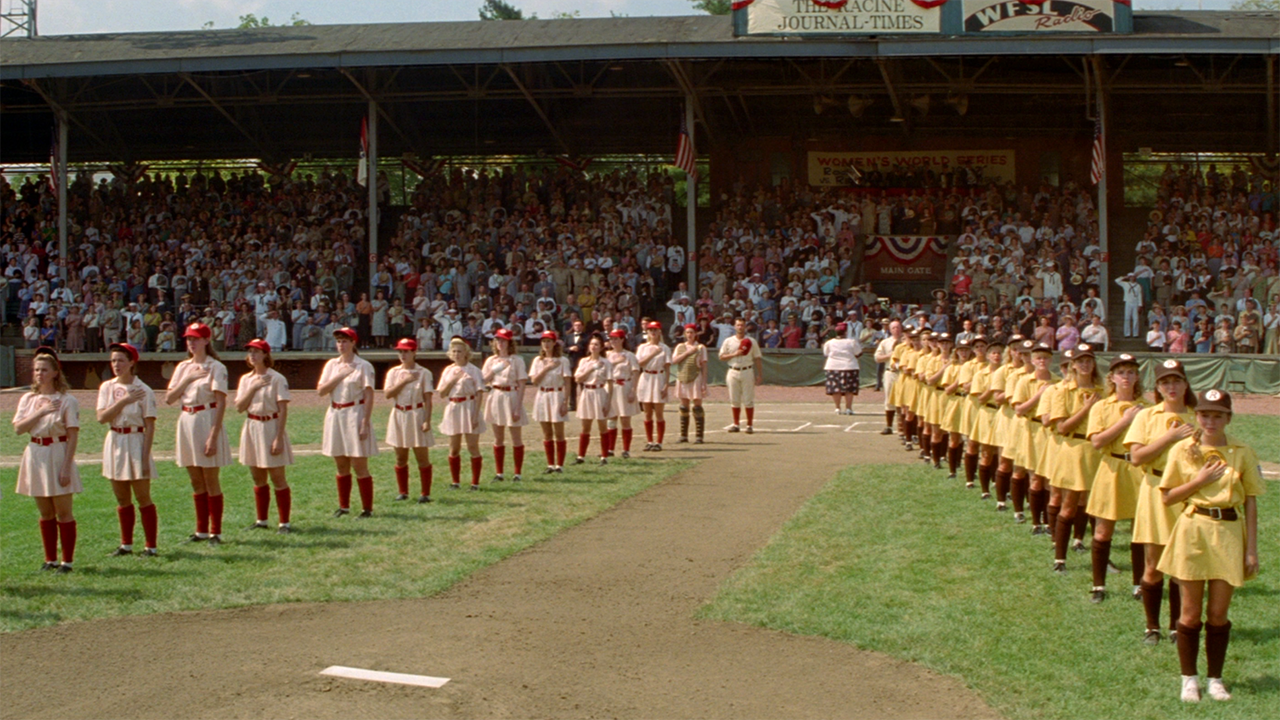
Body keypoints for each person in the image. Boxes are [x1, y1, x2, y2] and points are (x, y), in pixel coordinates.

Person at [1157, 389, 1261, 703]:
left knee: (1218, 614)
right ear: (1197, 417)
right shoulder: (1182, 450)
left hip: (1228, 532)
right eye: (1204, 415)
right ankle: (1189, 679)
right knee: (1189, 614)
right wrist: (1199, 481)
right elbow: (1168, 496)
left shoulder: (1242, 452)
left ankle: (1215, 678)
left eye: (1218, 415)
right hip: (1194, 530)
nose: (1210, 421)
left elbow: (1252, 503)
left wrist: (1251, 548)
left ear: (1228, 417)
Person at [1125, 359, 1196, 645]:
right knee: (1153, 564)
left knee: (1182, 566)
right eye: (1165, 382)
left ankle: (1177, 626)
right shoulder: (1147, 416)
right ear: (1157, 387)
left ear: (1185, 384)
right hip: (1155, 489)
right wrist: (1170, 436)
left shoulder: (1196, 415)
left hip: (1188, 492)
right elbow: (1137, 457)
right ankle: (1151, 626)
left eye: (1176, 380)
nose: (1171, 387)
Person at [12, 348, 81, 572]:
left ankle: (67, 561)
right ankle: (50, 559)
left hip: (57, 451)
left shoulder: (66, 400)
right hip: (36, 451)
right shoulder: (28, 399)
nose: (39, 374)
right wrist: (40, 412)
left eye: (44, 370)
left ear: (55, 372)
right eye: (36, 370)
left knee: (63, 510)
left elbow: (72, 435)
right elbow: (19, 428)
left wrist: (67, 466)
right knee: (45, 511)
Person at [1084, 353, 1146, 603]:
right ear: (1112, 377)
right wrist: (1125, 421)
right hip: (1112, 467)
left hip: (1138, 469)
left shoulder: (1146, 407)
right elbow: (1097, 441)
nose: (1126, 377)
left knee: (1140, 531)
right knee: (1103, 531)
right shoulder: (1102, 406)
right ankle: (1098, 585)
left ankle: (1139, 584)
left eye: (1131, 372)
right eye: (1121, 372)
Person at [166, 322, 232, 545]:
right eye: (188, 339)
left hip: (207, 417)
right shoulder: (183, 367)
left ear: (206, 340)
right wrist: (187, 379)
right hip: (187, 419)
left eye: (195, 338)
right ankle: (201, 530)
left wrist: (213, 434)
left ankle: (216, 531)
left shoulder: (215, 367)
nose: (191, 343)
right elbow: (169, 398)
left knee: (210, 478)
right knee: (195, 479)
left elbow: (221, 402)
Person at [97, 342, 160, 557]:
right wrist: (123, 401)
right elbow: (101, 417)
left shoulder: (143, 390)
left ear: (132, 362)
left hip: (136, 439)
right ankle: (126, 544)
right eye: (113, 360)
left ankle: (150, 545)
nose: (116, 364)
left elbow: (150, 425)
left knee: (143, 496)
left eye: (121, 360)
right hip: (115, 439)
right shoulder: (107, 387)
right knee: (122, 497)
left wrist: (144, 457)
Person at [1048, 344, 1103, 572]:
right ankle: (1060, 558)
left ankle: (1097, 553)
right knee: (1069, 503)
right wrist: (1086, 409)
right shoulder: (1063, 391)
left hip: (1097, 449)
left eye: (1088, 360)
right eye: (1080, 361)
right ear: (1073, 365)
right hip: (1073, 447)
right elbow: (1061, 427)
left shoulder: (1103, 390)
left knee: (1097, 505)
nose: (1084, 365)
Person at [234, 338, 295, 532]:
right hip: (252, 424)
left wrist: (278, 437)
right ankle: (262, 520)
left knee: (277, 477)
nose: (253, 355)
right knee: (257, 476)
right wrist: (253, 387)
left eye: (257, 352)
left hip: (270, 425)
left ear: (266, 355)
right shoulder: (246, 379)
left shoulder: (276, 378)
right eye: (250, 352)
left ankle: (284, 522)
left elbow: (283, 409)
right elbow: (239, 407)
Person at [318, 327, 378, 516]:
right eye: (338, 341)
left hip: (355, 412)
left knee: (359, 463)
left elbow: (369, 395)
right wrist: (339, 375)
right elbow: (321, 390)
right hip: (336, 412)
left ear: (353, 343)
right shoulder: (332, 365)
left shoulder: (363, 366)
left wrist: (365, 422)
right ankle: (344, 506)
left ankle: (366, 507)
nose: (341, 345)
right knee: (341, 463)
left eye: (345, 341)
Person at [384, 337, 435, 503]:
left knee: (421, 456)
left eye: (406, 351)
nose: (402, 355)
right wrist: (404, 381)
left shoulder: (424, 373)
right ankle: (403, 491)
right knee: (400, 456)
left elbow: (428, 399)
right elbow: (388, 394)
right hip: (399, 413)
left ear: (414, 352)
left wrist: (427, 420)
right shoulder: (394, 372)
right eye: (400, 351)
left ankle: (425, 493)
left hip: (416, 413)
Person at [438, 337, 486, 489]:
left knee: (473, 446)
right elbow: (442, 393)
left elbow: (479, 393)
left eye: (460, 351)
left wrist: (475, 414)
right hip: (454, 407)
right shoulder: (448, 370)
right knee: (454, 447)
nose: (457, 354)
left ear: (466, 352)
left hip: (469, 406)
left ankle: (475, 482)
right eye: (454, 351)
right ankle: (455, 481)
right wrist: (452, 380)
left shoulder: (474, 370)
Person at [482, 328, 528, 482]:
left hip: (512, 395)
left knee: (516, 437)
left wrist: (518, 407)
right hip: (496, 394)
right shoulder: (491, 360)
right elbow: (483, 381)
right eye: (497, 340)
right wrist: (495, 369)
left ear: (509, 342)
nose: (500, 343)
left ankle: (517, 473)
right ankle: (499, 472)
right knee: (498, 436)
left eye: (503, 340)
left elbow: (522, 384)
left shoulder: (517, 360)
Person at [530, 330, 571, 472]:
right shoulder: (538, 361)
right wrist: (546, 368)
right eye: (544, 341)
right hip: (543, 394)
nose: (546, 344)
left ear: (554, 343)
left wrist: (565, 402)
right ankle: (550, 464)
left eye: (549, 341)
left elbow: (567, 382)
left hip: (557, 394)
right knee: (547, 432)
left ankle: (560, 464)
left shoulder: (563, 360)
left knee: (559, 432)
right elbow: (534, 380)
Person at [719, 318, 764, 433]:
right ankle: (736, 424)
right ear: (735, 326)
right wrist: (734, 354)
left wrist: (759, 374)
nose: (740, 327)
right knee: (734, 399)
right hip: (733, 370)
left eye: (742, 325)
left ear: (745, 327)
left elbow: (757, 358)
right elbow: (721, 357)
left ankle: (749, 425)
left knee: (748, 399)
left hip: (747, 370)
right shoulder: (729, 341)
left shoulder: (751, 341)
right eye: (738, 325)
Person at [574, 334, 614, 464]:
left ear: (601, 347)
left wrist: (608, 402)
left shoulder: (606, 363)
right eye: (592, 344)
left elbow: (610, 383)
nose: (593, 346)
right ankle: (581, 456)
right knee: (585, 426)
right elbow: (578, 378)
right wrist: (590, 368)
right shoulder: (584, 361)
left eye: (596, 344)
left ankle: (604, 456)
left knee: (602, 425)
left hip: (599, 391)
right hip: (587, 391)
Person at [634, 321, 672, 452]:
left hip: (659, 377)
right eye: (651, 330)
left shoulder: (665, 348)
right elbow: (640, 363)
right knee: (647, 413)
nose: (653, 332)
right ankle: (649, 440)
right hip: (646, 377)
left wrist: (666, 384)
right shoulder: (643, 348)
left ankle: (659, 442)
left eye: (655, 330)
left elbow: (667, 368)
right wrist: (653, 353)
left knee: (659, 413)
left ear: (660, 332)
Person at [605, 328, 640, 456]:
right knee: (611, 418)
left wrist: (633, 390)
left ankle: (626, 449)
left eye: (616, 338)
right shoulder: (607, 355)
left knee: (625, 419)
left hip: (624, 385)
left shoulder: (629, 355)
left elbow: (635, 373)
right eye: (611, 339)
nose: (613, 341)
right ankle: (610, 449)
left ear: (622, 340)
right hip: (611, 386)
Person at [672, 323, 708, 444]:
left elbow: (704, 366)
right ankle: (684, 435)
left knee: (697, 406)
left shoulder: (701, 347)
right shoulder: (680, 347)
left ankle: (699, 436)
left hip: (695, 376)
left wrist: (704, 382)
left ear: (695, 334)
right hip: (682, 376)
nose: (689, 335)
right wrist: (687, 353)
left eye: (692, 332)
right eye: (687, 332)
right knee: (684, 406)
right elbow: (674, 360)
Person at [822, 322, 863, 416]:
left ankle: (837, 408)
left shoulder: (829, 342)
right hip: (849, 366)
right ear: (845, 332)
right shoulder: (851, 342)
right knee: (849, 389)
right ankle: (848, 408)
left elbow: (826, 354)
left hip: (833, 366)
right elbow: (859, 353)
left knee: (836, 388)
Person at [874, 320, 903, 435]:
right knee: (889, 399)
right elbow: (877, 357)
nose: (896, 329)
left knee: (903, 400)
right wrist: (889, 355)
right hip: (890, 372)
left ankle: (904, 428)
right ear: (890, 330)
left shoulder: (906, 341)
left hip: (903, 373)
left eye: (898, 327)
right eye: (894, 328)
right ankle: (889, 425)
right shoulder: (885, 342)